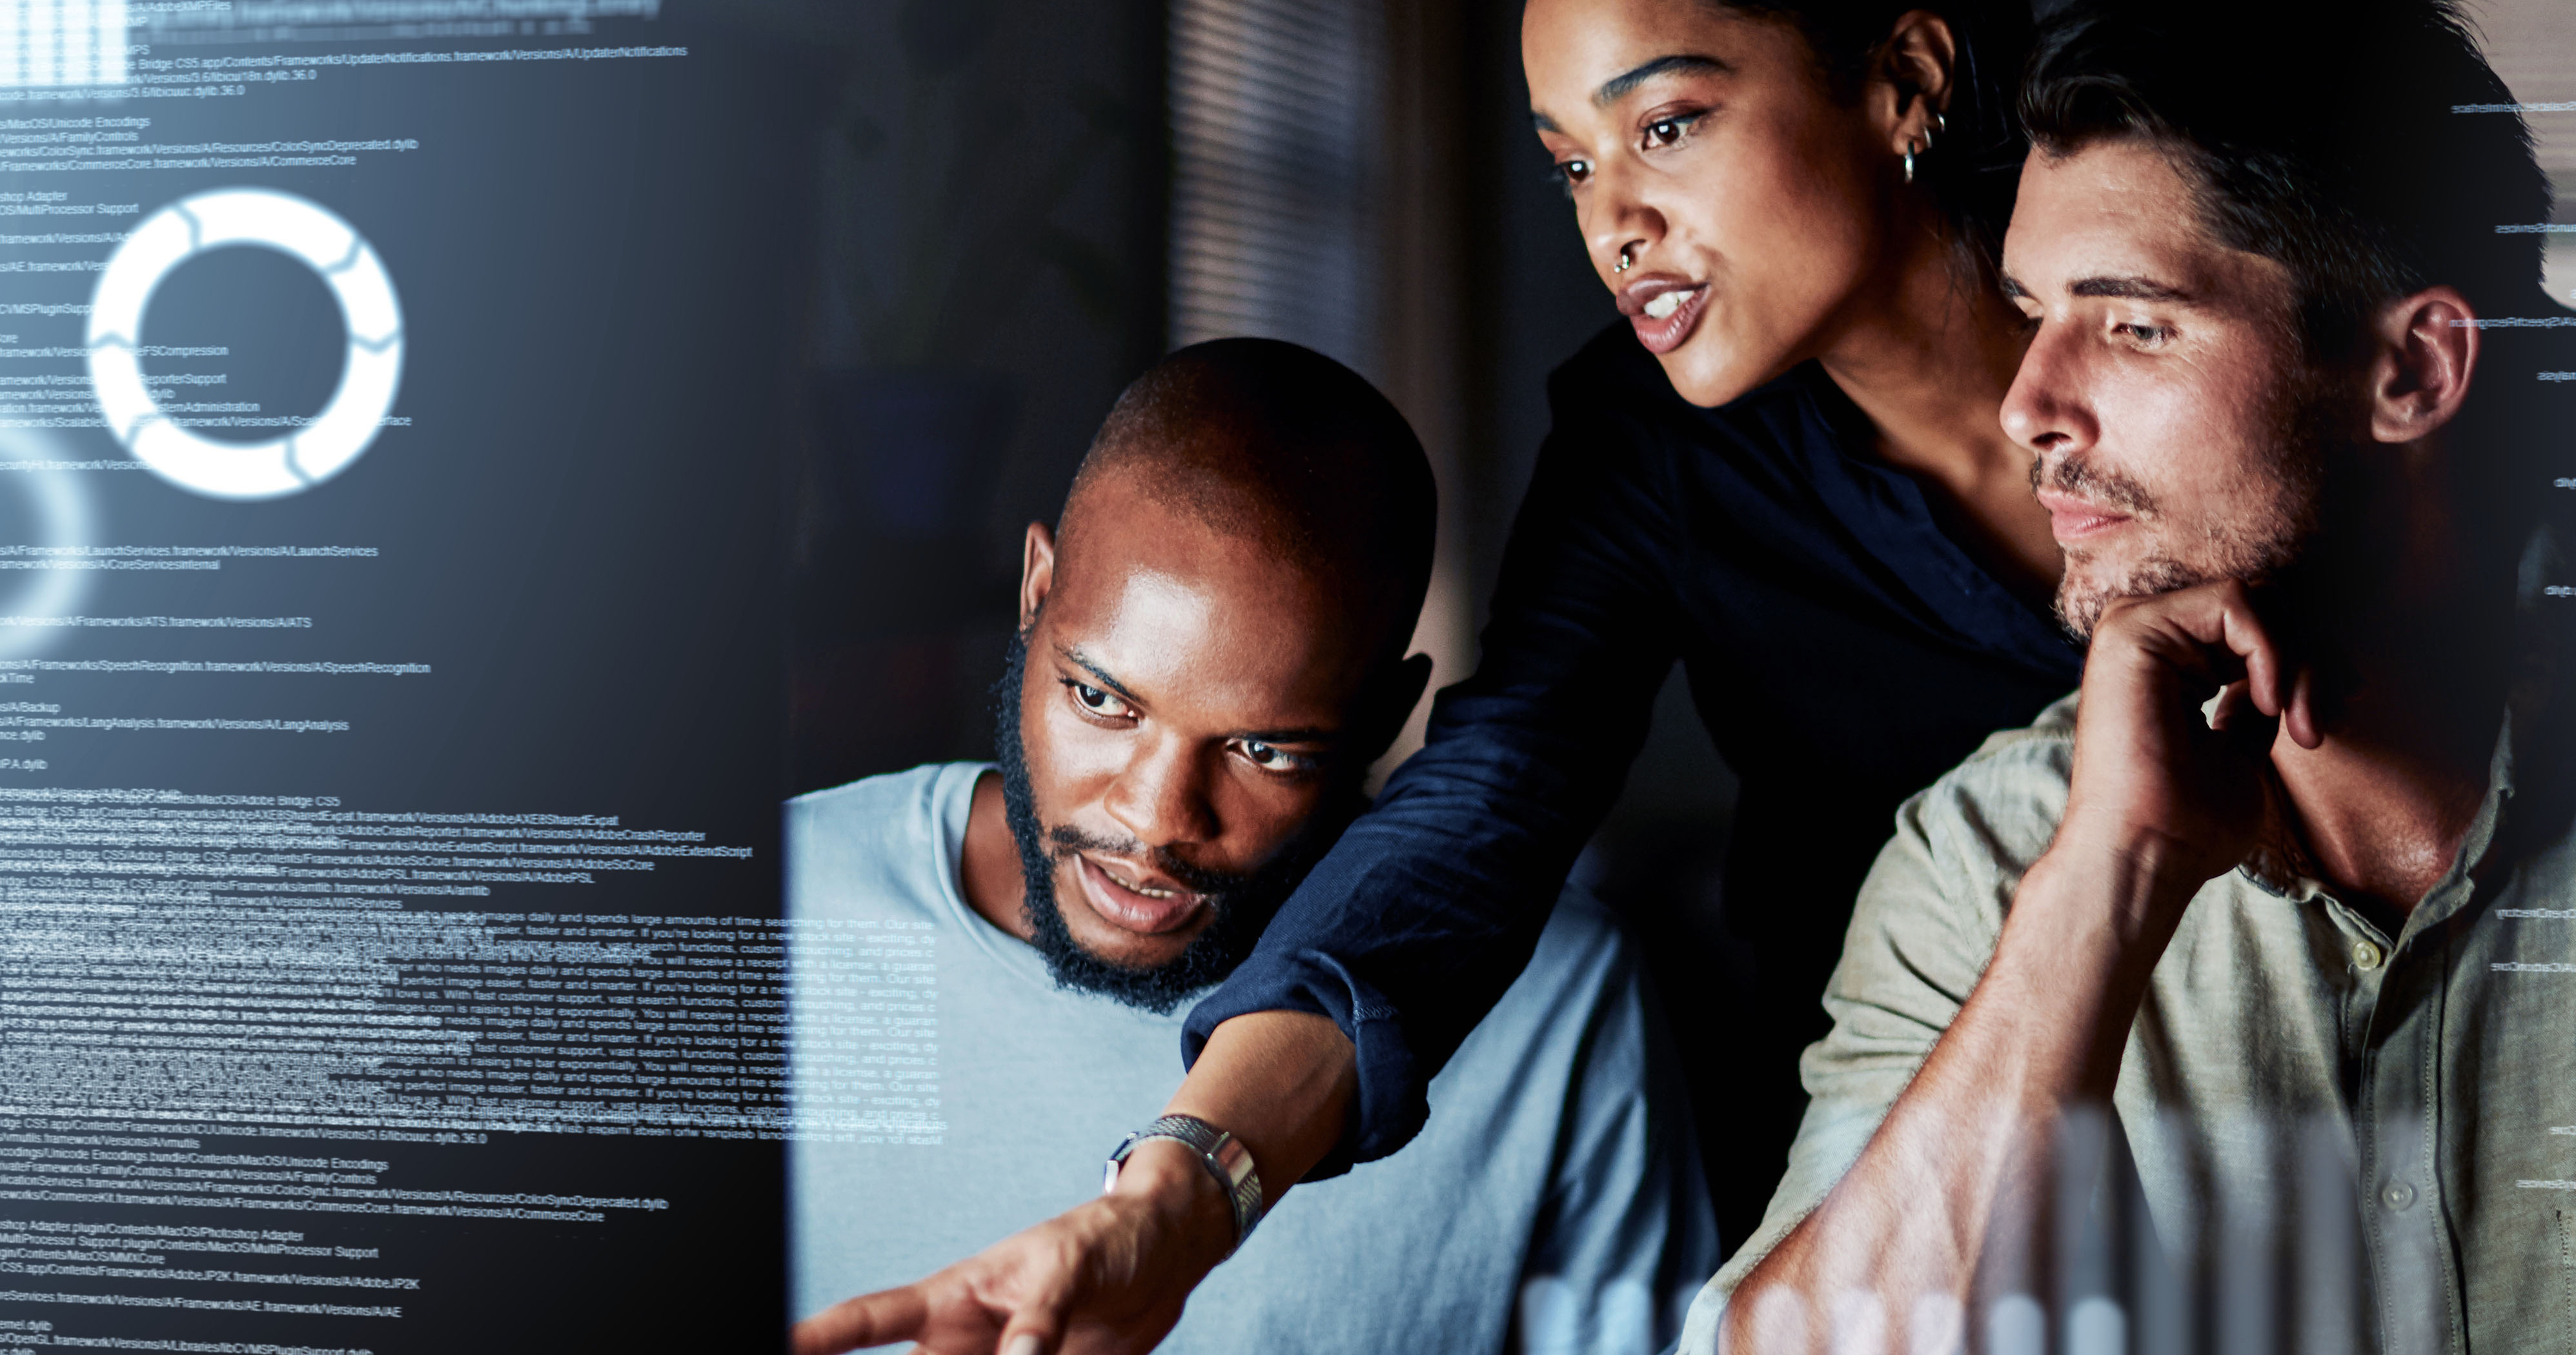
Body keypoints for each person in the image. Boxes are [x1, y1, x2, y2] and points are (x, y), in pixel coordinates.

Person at [800, 0, 2086, 1349]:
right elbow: (1495, 791)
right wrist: (1180, 1197)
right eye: (1574, 163)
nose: (1613, 225)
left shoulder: (2226, 319)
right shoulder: (1648, 449)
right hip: (1913, 1130)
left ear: (1905, 82)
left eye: (1666, 126)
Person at [1700, 0, 2558, 1349]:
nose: (2027, 405)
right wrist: (2107, 884)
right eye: (2038, 314)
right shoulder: (1993, 860)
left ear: (2412, 369)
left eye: (2136, 326)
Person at [786, 338, 1715, 1354]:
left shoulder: (1559, 1000)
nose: (1155, 819)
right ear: (1035, 589)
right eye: (1100, 700)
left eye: (1264, 750)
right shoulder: (769, 901)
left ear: (1383, 714)